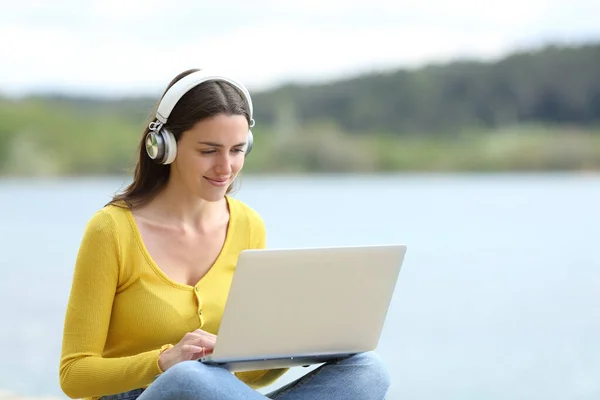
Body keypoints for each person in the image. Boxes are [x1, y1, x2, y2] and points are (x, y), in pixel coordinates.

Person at [59, 68, 391, 400]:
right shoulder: (111, 230)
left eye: (236, 150)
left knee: (367, 370)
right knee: (189, 378)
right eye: (208, 151)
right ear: (164, 147)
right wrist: (164, 361)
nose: (226, 167)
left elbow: (250, 378)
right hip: (151, 393)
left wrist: (289, 348)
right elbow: (74, 376)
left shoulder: (248, 225)